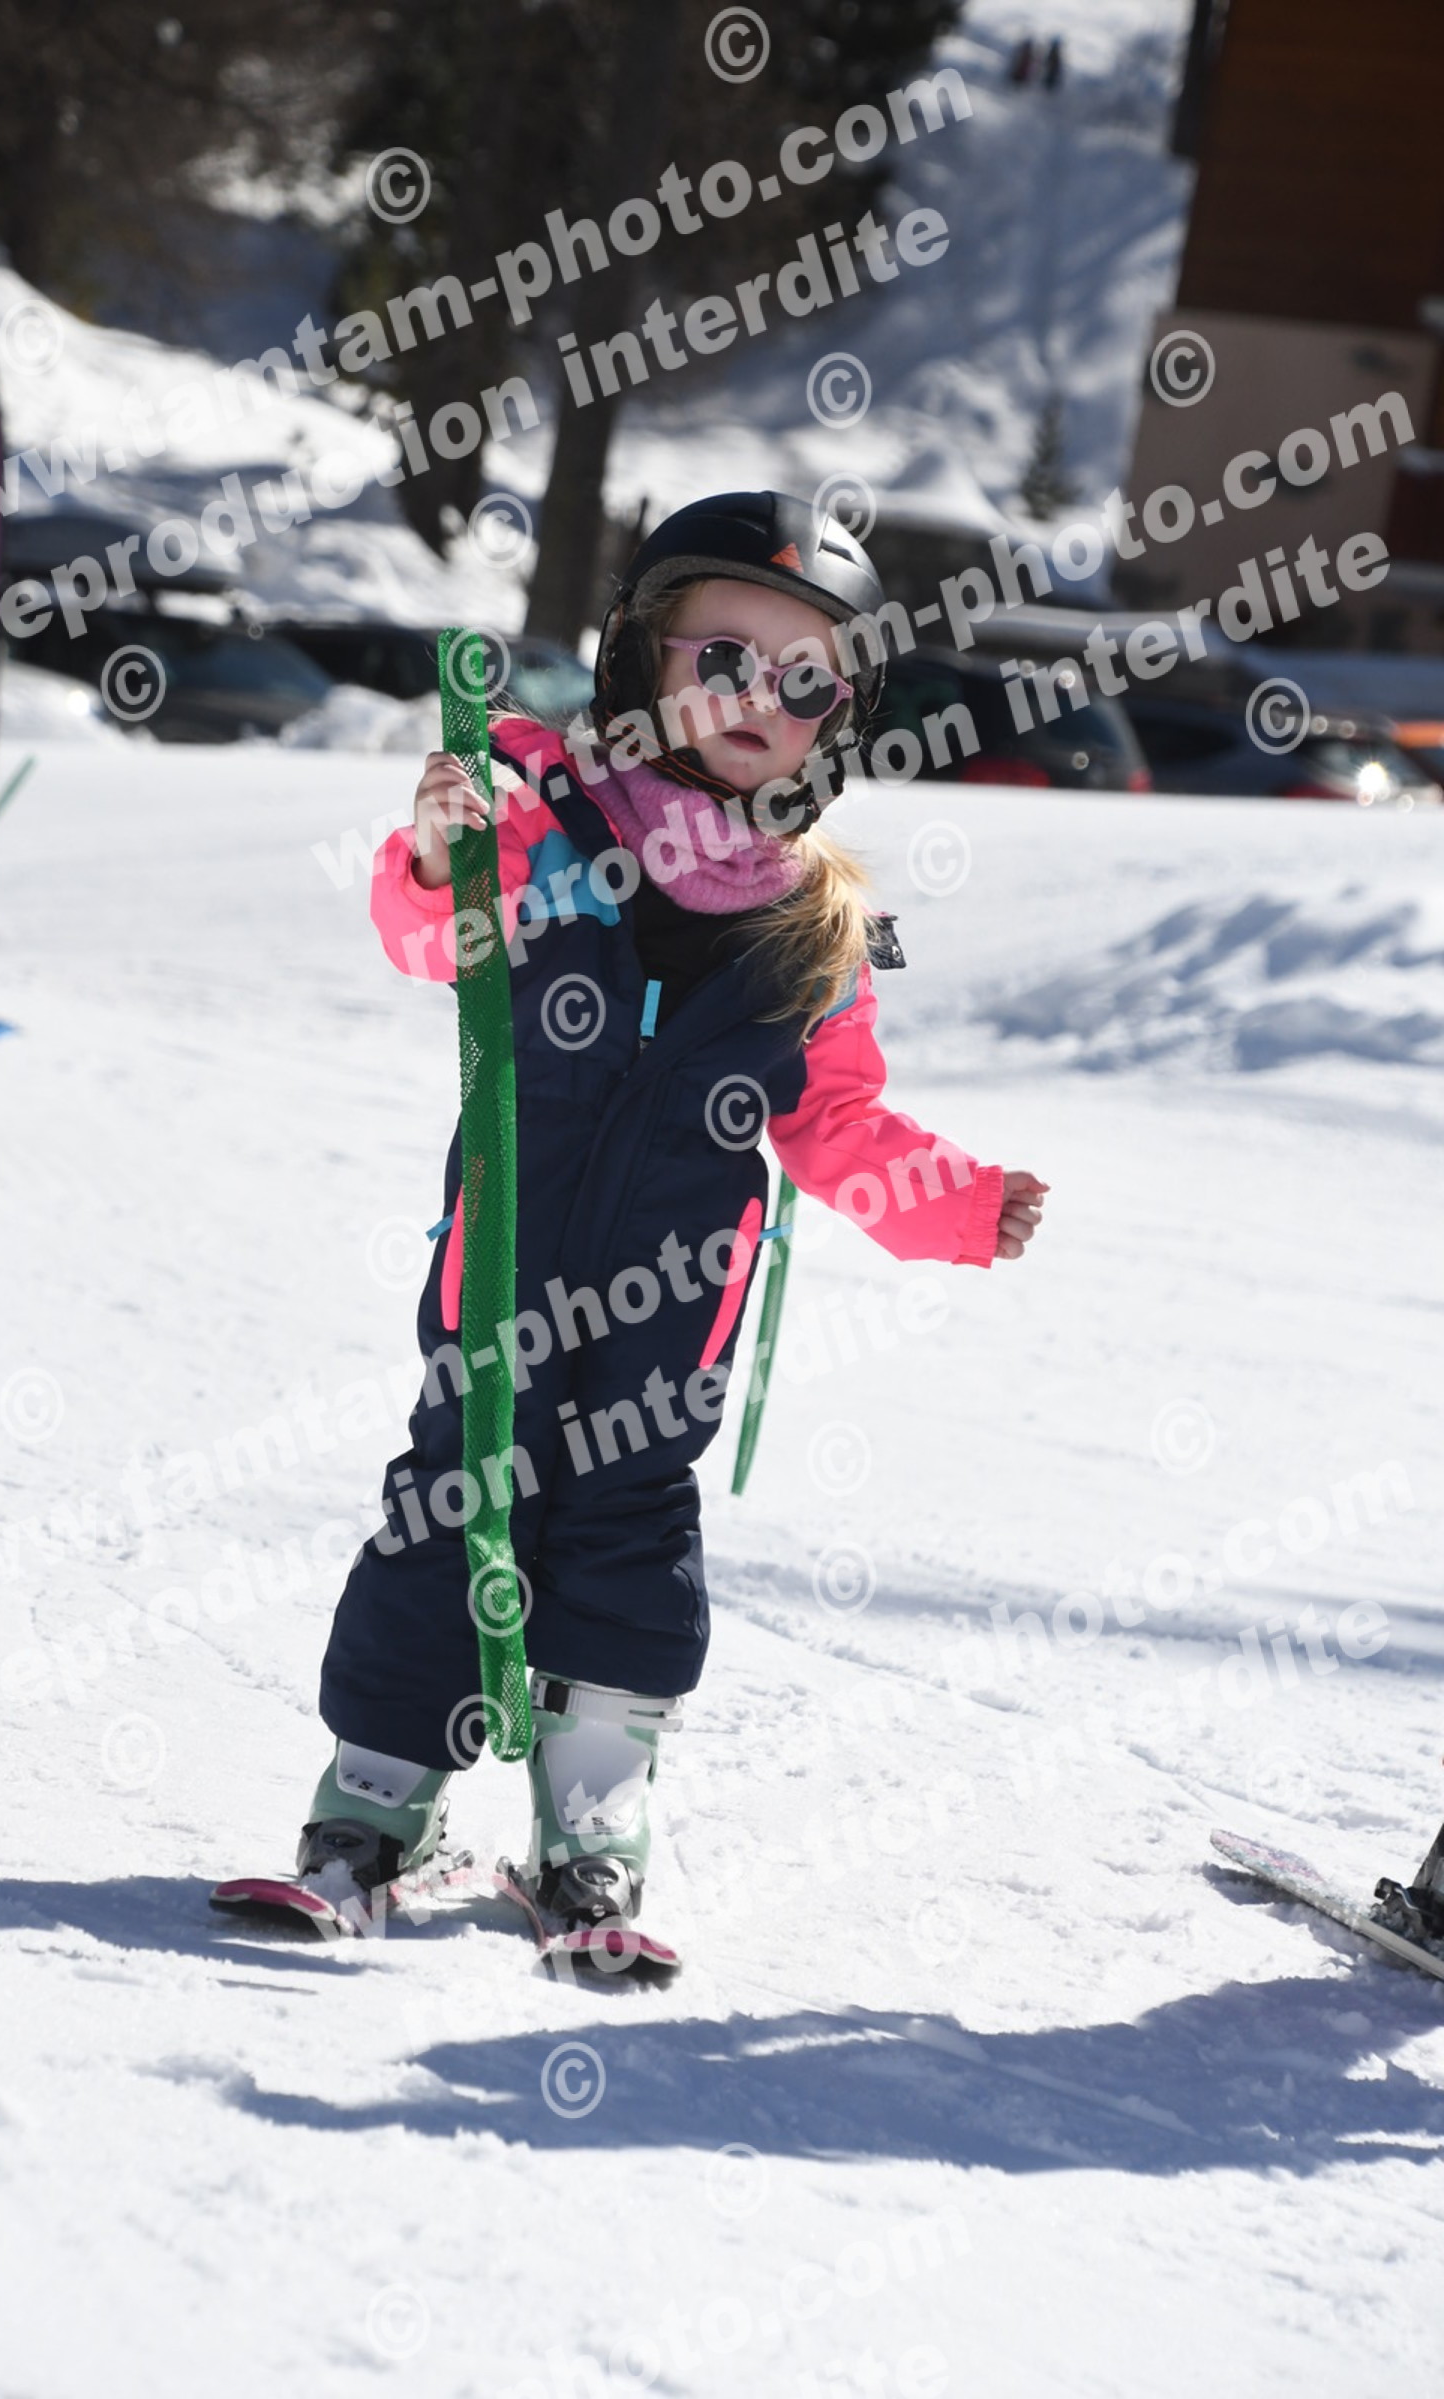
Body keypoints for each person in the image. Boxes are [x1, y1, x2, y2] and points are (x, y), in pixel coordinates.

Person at [299, 491, 1048, 1937]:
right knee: (452, 1504)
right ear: (641, 660)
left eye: (808, 682)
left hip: (673, 1316)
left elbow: (836, 1120)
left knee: (627, 1538)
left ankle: (593, 1821)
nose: (766, 699)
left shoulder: (812, 930)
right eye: (727, 661)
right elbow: (429, 940)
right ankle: (374, 1802)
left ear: (843, 720)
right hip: (503, 1272)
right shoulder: (539, 828)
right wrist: (441, 853)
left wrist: (951, 1201)